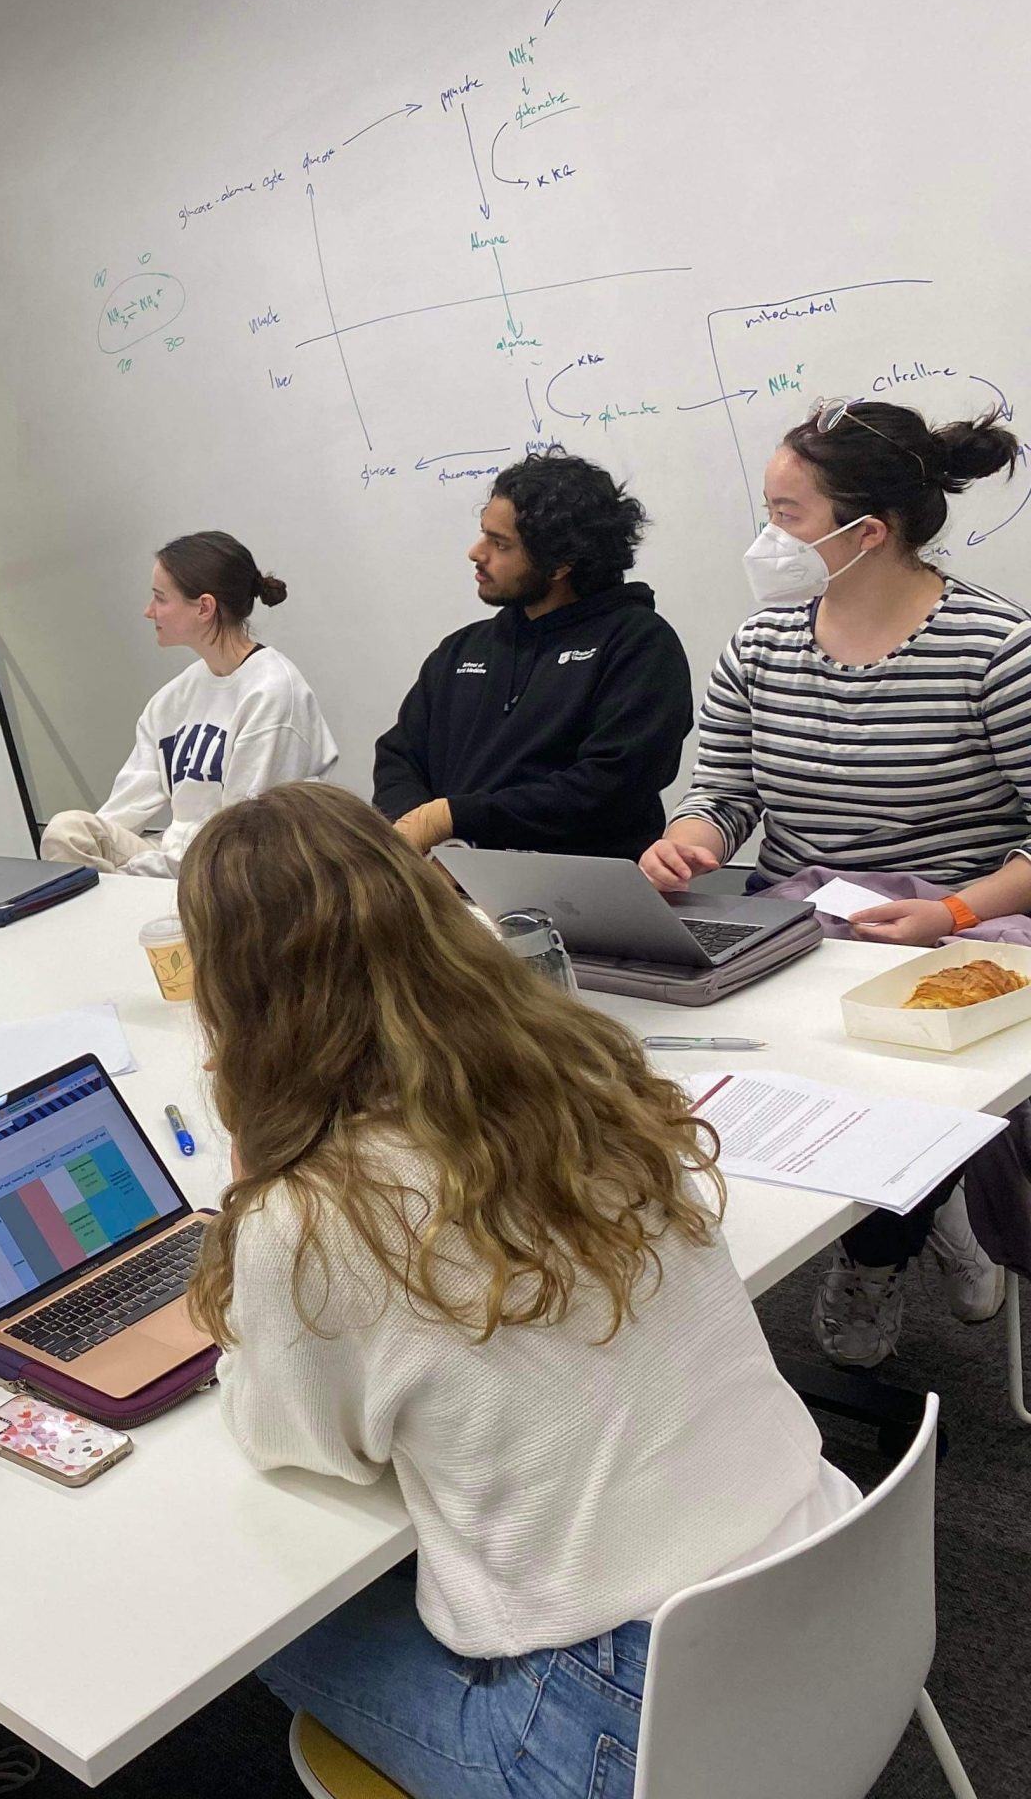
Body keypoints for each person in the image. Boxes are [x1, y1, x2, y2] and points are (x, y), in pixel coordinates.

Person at [180, 783, 854, 1799]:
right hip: (832, 1580)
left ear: (234, 993)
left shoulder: (312, 1211)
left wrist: (250, 1232)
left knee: (252, 1616)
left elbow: (298, 1444)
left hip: (623, 1724)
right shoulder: (587, 1073)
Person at [639, 397, 1025, 1368]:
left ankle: (880, 1247)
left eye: (786, 515)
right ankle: (925, 1203)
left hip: (954, 935)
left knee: (886, 1095)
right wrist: (689, 837)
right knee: (684, 1074)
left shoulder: (995, 650)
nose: (766, 538)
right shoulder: (760, 646)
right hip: (800, 928)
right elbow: (724, 792)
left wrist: (951, 909)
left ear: (868, 533)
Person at [374, 453, 691, 859]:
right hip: (444, 877)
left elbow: (610, 785)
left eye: (500, 543)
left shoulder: (638, 645)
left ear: (559, 564)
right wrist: (420, 829)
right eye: (483, 534)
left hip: (574, 886)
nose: (476, 552)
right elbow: (399, 756)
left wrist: (454, 817)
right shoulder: (463, 649)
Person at [40, 531, 337, 876]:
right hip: (176, 860)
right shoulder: (173, 699)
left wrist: (127, 874)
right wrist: (107, 865)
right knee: (66, 833)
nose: (149, 611)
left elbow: (246, 839)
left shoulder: (272, 693)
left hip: (240, 872)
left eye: (160, 598)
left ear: (204, 607)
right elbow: (123, 810)